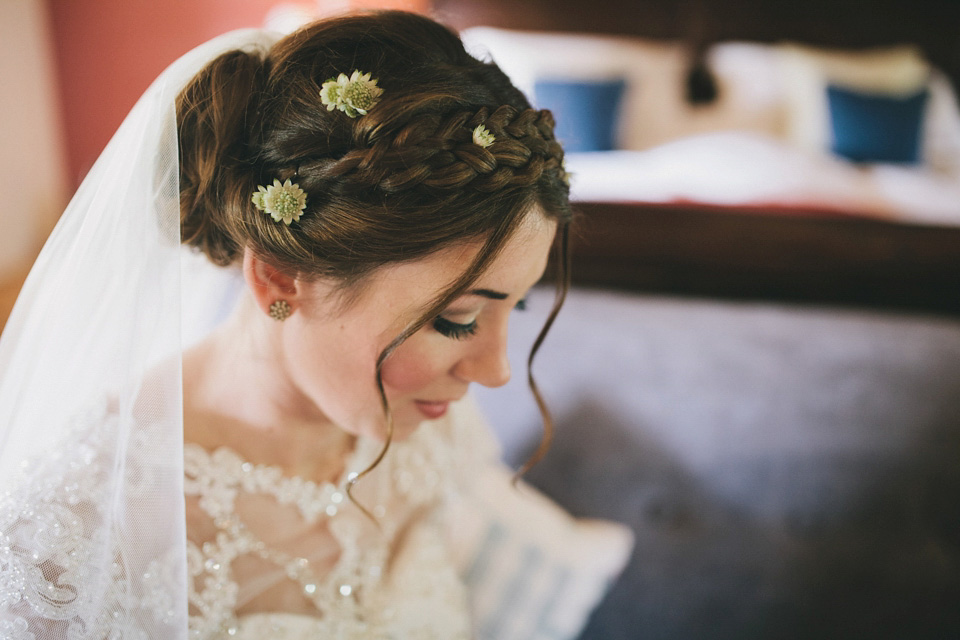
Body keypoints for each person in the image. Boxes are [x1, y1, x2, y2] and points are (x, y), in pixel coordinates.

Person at [0, 10, 571, 639]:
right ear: (277, 276)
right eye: (456, 319)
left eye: (513, 306)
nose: (494, 372)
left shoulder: (428, 422)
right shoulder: (75, 538)